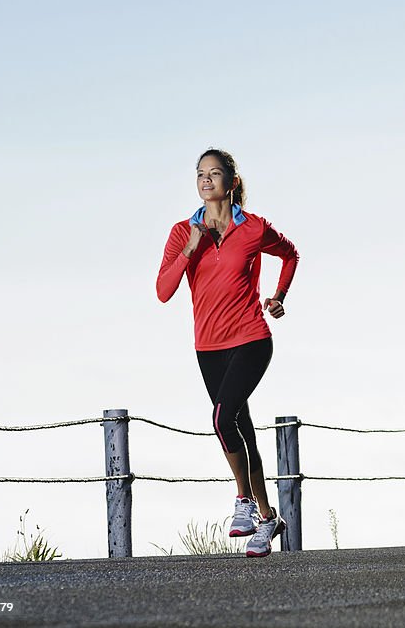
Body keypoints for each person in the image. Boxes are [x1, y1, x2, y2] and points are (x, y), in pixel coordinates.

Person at [156, 148, 300, 557]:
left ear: (231, 182)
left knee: (221, 418)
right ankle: (269, 519)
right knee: (242, 432)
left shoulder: (253, 229)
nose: (205, 180)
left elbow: (290, 254)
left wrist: (279, 295)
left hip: (252, 338)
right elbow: (163, 292)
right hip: (209, 347)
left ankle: (243, 502)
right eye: (200, 174)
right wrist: (190, 249)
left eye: (214, 174)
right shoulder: (182, 233)